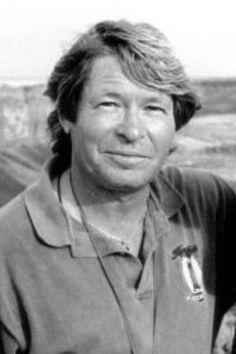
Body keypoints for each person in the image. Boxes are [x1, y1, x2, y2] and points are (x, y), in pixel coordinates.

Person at [0, 20, 236, 354]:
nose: (132, 130)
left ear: (175, 126)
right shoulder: (8, 252)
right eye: (109, 104)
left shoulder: (208, 204)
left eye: (153, 108)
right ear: (68, 116)